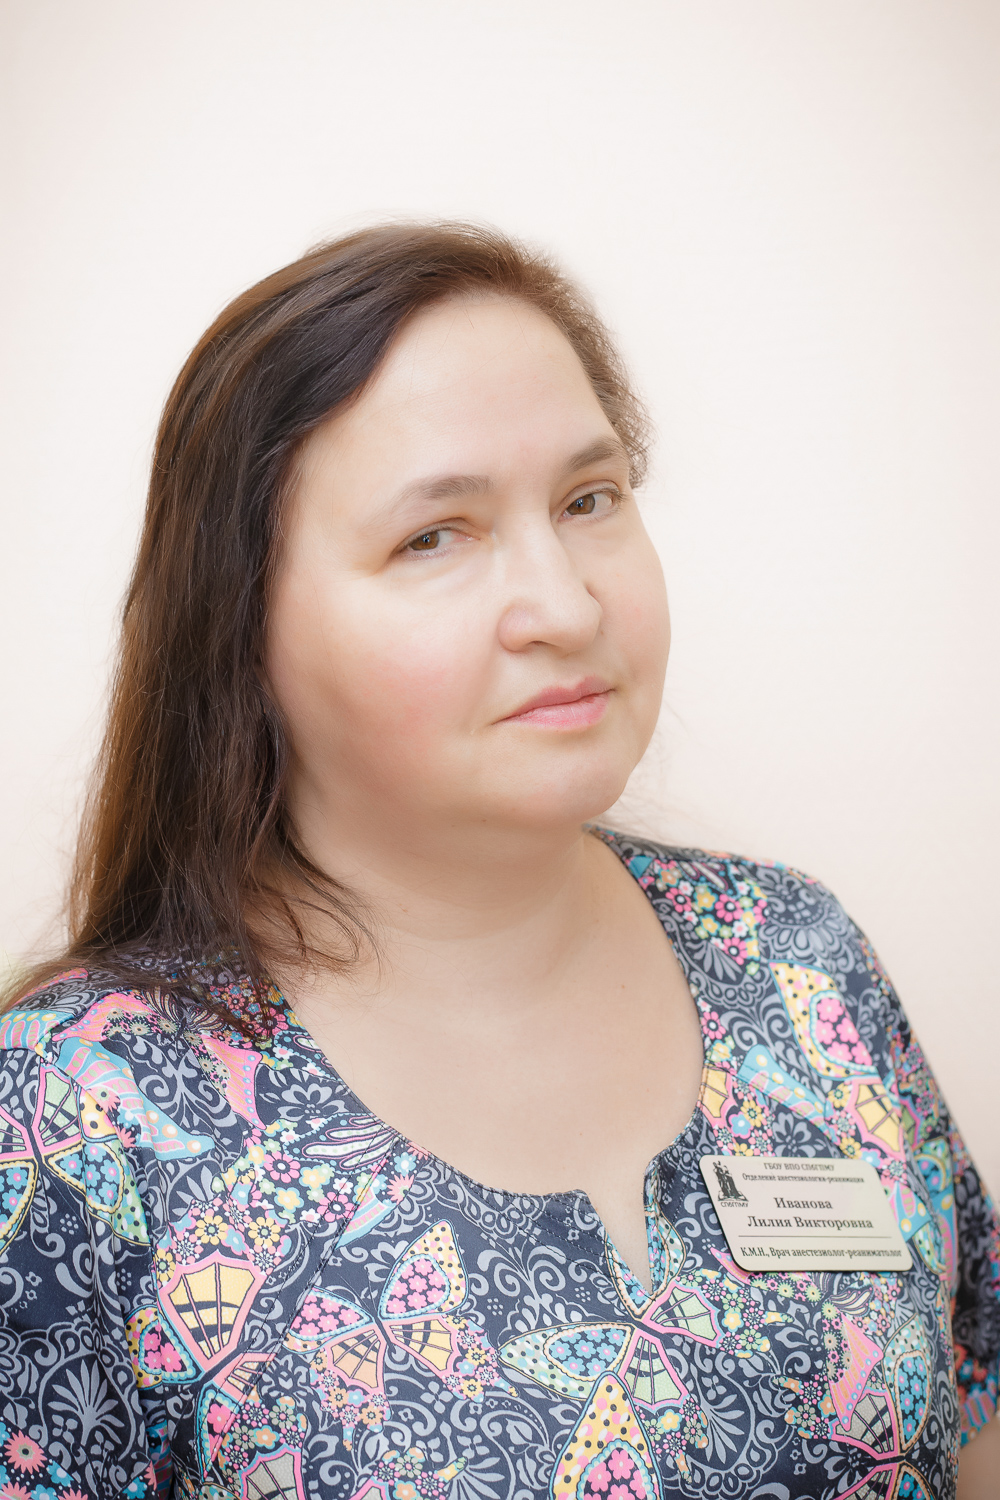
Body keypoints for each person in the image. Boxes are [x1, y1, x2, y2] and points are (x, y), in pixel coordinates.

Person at [0, 223, 996, 1500]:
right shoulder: (77, 1113)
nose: (567, 607)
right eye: (435, 535)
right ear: (238, 625)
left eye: (589, 501)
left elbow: (971, 1423)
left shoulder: (798, 962)